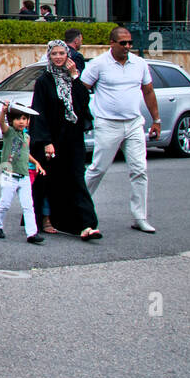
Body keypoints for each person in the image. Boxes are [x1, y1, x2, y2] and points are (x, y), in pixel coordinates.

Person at [81, 26, 161, 233]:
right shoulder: (99, 64)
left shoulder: (139, 64)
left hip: (134, 123)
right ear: (112, 43)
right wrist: (84, 117)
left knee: (139, 170)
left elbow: (148, 91)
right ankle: (78, 208)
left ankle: (139, 217)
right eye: (123, 43)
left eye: (130, 43)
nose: (127, 47)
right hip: (108, 123)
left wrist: (157, 120)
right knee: (97, 169)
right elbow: (82, 90)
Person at [31, 39, 102, 241]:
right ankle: (45, 219)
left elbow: (83, 102)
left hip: (73, 138)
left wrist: (75, 77)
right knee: (48, 179)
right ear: (49, 56)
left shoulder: (73, 79)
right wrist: (45, 141)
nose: (59, 57)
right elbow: (39, 112)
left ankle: (88, 224)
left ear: (68, 56)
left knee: (77, 179)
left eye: (62, 53)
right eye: (55, 54)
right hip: (52, 139)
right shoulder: (44, 81)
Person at [0, 103, 46, 244]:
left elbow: (25, 153)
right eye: (17, 119)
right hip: (9, 175)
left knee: (28, 205)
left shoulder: (26, 137)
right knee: (5, 203)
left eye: (24, 118)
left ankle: (32, 233)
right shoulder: (8, 132)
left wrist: (37, 163)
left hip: (24, 175)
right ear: (11, 121)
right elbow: (1, 122)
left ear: (28, 121)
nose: (21, 122)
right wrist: (3, 112)